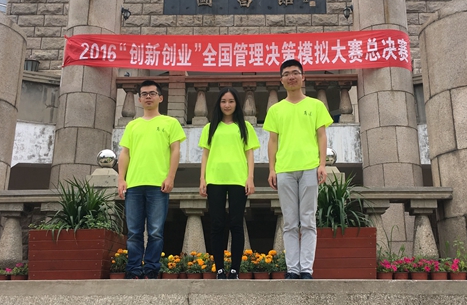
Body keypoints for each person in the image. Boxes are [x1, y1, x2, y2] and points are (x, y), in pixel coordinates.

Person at [263, 59, 333, 280]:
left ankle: (306, 270)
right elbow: (272, 141)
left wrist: (322, 165)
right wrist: (272, 169)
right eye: (286, 74)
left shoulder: (316, 105)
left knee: (308, 220)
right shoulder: (275, 110)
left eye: (295, 73)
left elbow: (322, 136)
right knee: (290, 222)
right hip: (284, 169)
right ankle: (292, 269)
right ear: (281, 80)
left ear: (303, 77)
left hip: (310, 168)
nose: (291, 77)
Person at [117, 80, 186, 279]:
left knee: (156, 232)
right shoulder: (133, 125)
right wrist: (121, 179)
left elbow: (175, 151)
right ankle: (133, 270)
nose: (148, 97)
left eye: (152, 93)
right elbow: (125, 153)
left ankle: (151, 270)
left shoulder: (170, 123)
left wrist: (170, 177)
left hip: (158, 185)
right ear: (139, 99)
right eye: (144, 94)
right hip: (134, 185)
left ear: (160, 98)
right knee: (134, 232)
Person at [198, 87, 260, 280]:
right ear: (219, 104)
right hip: (215, 179)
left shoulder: (245, 127)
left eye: (231, 101)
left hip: (238, 180)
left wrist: (250, 178)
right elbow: (205, 154)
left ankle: (234, 269)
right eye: (223, 101)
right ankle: (219, 269)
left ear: (236, 104)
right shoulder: (210, 127)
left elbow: (250, 154)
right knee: (216, 224)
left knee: (236, 223)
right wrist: (202, 179)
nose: (227, 105)